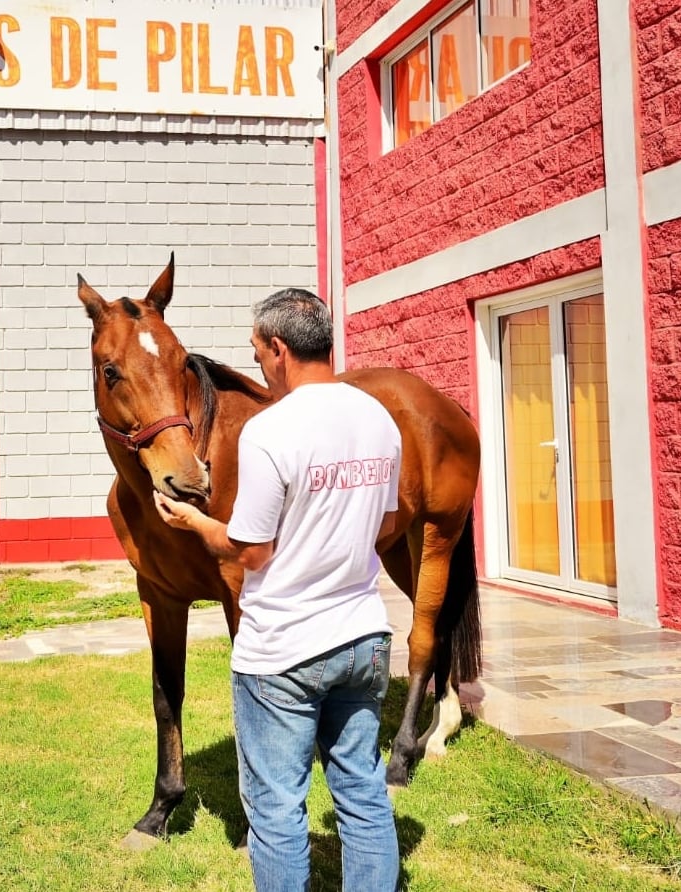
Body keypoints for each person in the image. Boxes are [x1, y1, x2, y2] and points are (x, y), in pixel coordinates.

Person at [153, 287, 402, 892]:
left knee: (277, 810)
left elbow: (251, 551)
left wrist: (194, 522)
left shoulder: (270, 430)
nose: (258, 363)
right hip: (364, 638)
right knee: (364, 794)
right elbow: (388, 526)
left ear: (279, 349)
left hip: (285, 650)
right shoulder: (377, 416)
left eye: (258, 351)